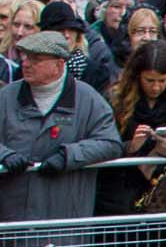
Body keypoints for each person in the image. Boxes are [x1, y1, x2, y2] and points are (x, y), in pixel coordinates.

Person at [0, 30, 118, 222]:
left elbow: (110, 143)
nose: (26, 64)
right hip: (12, 217)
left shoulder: (88, 100)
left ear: (59, 64)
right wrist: (5, 155)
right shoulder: (6, 97)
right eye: (25, 57)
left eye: (36, 59)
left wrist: (69, 156)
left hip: (65, 217)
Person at [95, 37, 166, 218]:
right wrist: (130, 147)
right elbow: (100, 144)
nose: (156, 87)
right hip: (118, 196)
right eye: (149, 80)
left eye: (162, 80)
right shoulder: (114, 99)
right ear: (137, 75)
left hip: (165, 199)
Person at [39, 0, 112, 92]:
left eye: (71, 29)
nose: (66, 35)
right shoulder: (30, 69)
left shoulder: (96, 72)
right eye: (59, 30)